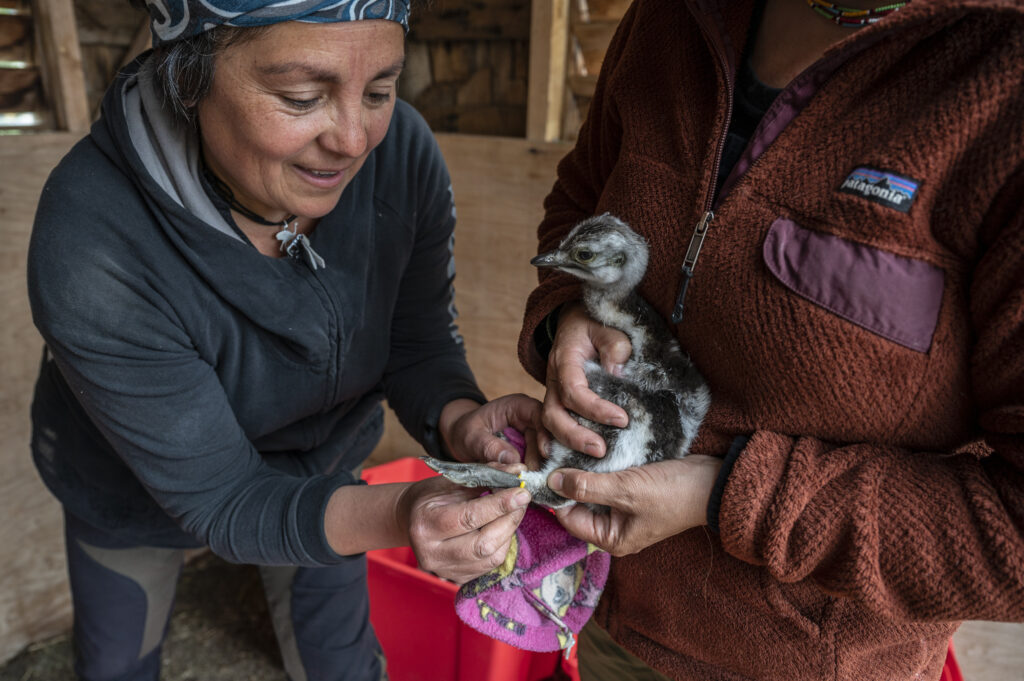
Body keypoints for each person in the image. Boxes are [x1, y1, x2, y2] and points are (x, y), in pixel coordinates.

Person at [26, 2, 541, 680]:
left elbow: (416, 342)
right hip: (134, 487)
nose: (355, 139)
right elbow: (226, 497)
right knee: (119, 658)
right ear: (190, 80)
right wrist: (402, 510)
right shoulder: (95, 238)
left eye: (381, 90)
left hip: (318, 468)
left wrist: (459, 418)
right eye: (302, 97)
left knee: (342, 663)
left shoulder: (401, 154)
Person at [516, 0, 1024, 680]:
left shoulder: (1004, 81)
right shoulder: (670, 20)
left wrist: (726, 495)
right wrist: (569, 316)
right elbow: (581, 201)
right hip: (604, 613)